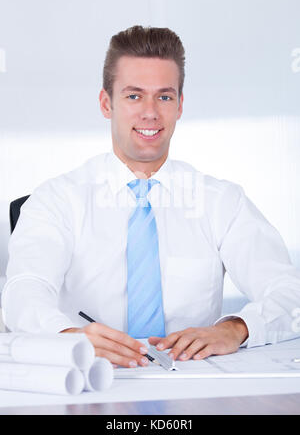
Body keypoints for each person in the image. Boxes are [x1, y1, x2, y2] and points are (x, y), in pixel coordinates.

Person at [3, 26, 300, 369]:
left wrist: (238, 328)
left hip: (196, 383)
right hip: (87, 378)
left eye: (164, 96)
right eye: (133, 96)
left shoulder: (221, 202)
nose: (150, 112)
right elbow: (24, 291)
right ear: (106, 103)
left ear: (180, 105)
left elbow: (289, 292)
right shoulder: (56, 200)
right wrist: (67, 336)